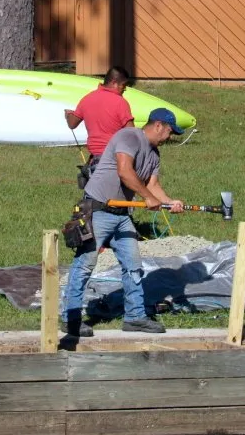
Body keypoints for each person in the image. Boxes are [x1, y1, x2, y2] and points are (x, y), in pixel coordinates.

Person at [62, 108, 185, 336]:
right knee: (85, 264)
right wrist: (147, 198)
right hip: (97, 209)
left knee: (133, 265)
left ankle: (135, 317)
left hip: (122, 215)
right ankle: (71, 317)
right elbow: (124, 171)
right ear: (158, 125)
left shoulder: (154, 155)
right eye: (169, 132)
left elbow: (152, 186)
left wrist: (169, 202)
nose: (169, 137)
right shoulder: (129, 136)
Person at [65, 66, 134, 187]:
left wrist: (68, 115)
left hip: (95, 161)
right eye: (123, 85)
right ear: (114, 83)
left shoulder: (87, 99)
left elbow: (72, 124)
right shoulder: (120, 102)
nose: (125, 89)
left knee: (96, 195)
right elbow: (132, 133)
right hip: (116, 159)